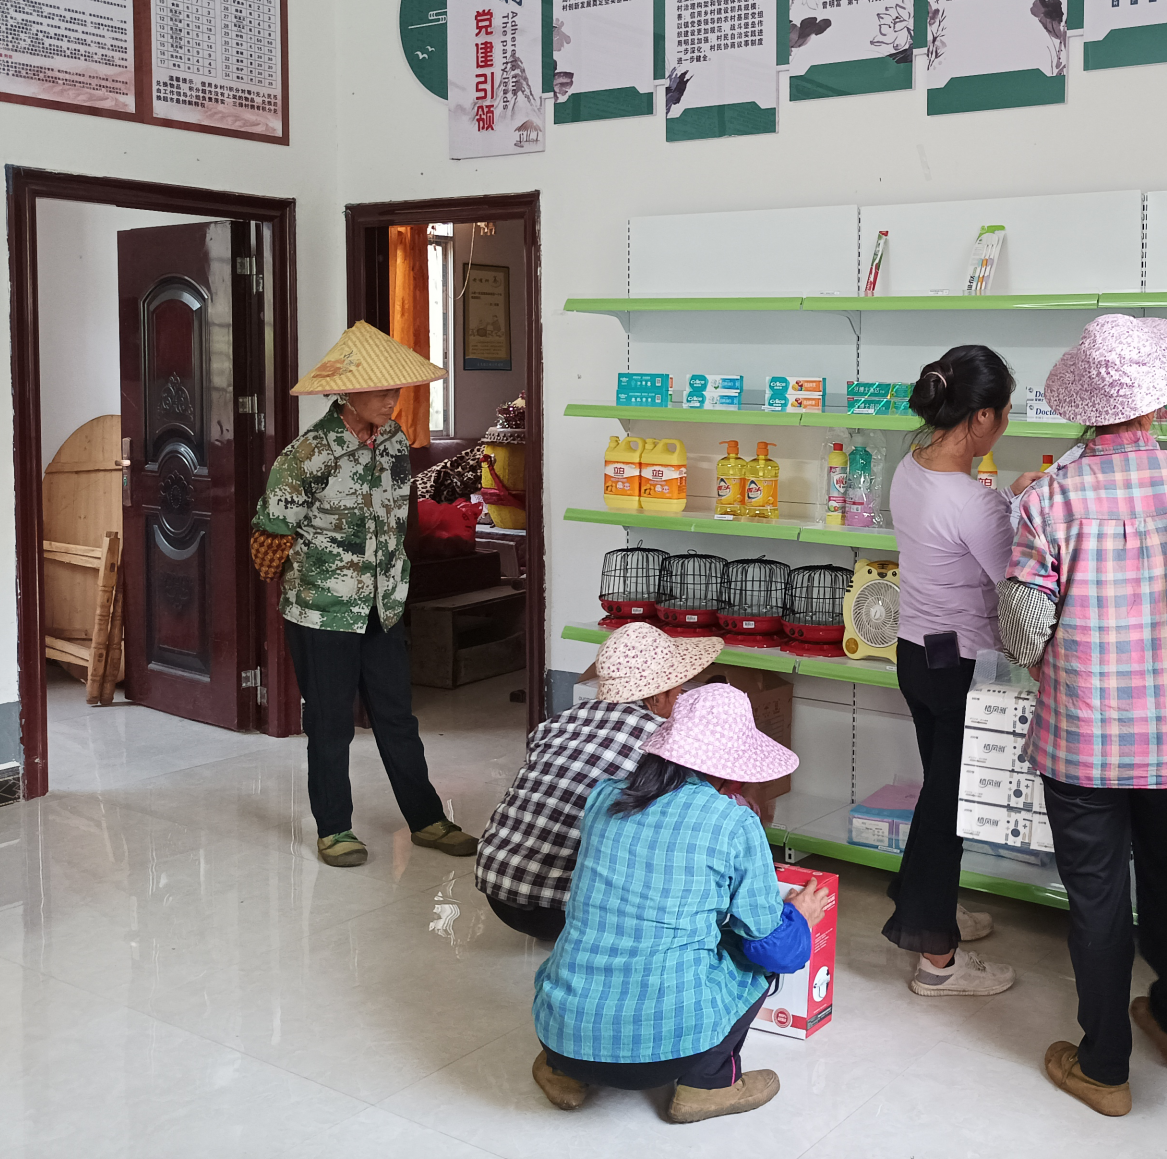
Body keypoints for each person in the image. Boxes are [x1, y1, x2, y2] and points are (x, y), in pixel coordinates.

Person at [999, 313, 1167, 1118]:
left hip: (1080, 740)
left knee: (1098, 898)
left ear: (1085, 409)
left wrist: (1048, 656)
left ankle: (1105, 1065)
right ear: (1157, 406)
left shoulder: (1048, 497)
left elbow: (1023, 624)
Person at [530, 683, 832, 1123]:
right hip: (666, 1054)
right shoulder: (733, 822)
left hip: (561, 1035)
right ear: (735, 772)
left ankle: (564, 1075)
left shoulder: (604, 796)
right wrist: (800, 917)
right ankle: (708, 1084)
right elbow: (775, 949)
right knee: (755, 953)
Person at [251, 321, 477, 868]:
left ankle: (426, 818)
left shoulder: (394, 442)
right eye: (380, 392)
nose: (391, 401)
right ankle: (334, 829)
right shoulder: (307, 454)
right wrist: (308, 584)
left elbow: (403, 515)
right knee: (329, 723)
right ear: (348, 393)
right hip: (322, 611)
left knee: (397, 717)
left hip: (383, 606)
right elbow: (270, 533)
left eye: (395, 390)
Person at [881, 344, 1044, 998]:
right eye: (1004, 413)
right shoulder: (973, 503)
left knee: (938, 793)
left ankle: (930, 909)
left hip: (917, 653)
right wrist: (1023, 507)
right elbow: (1012, 572)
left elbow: (956, 526)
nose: (1005, 423)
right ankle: (936, 960)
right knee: (949, 807)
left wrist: (1005, 499)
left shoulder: (910, 467)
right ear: (980, 417)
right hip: (961, 669)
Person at [476, 622, 707, 942]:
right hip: (567, 912)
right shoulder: (663, 742)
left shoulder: (560, 721)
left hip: (497, 890)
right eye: (678, 691)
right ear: (660, 694)